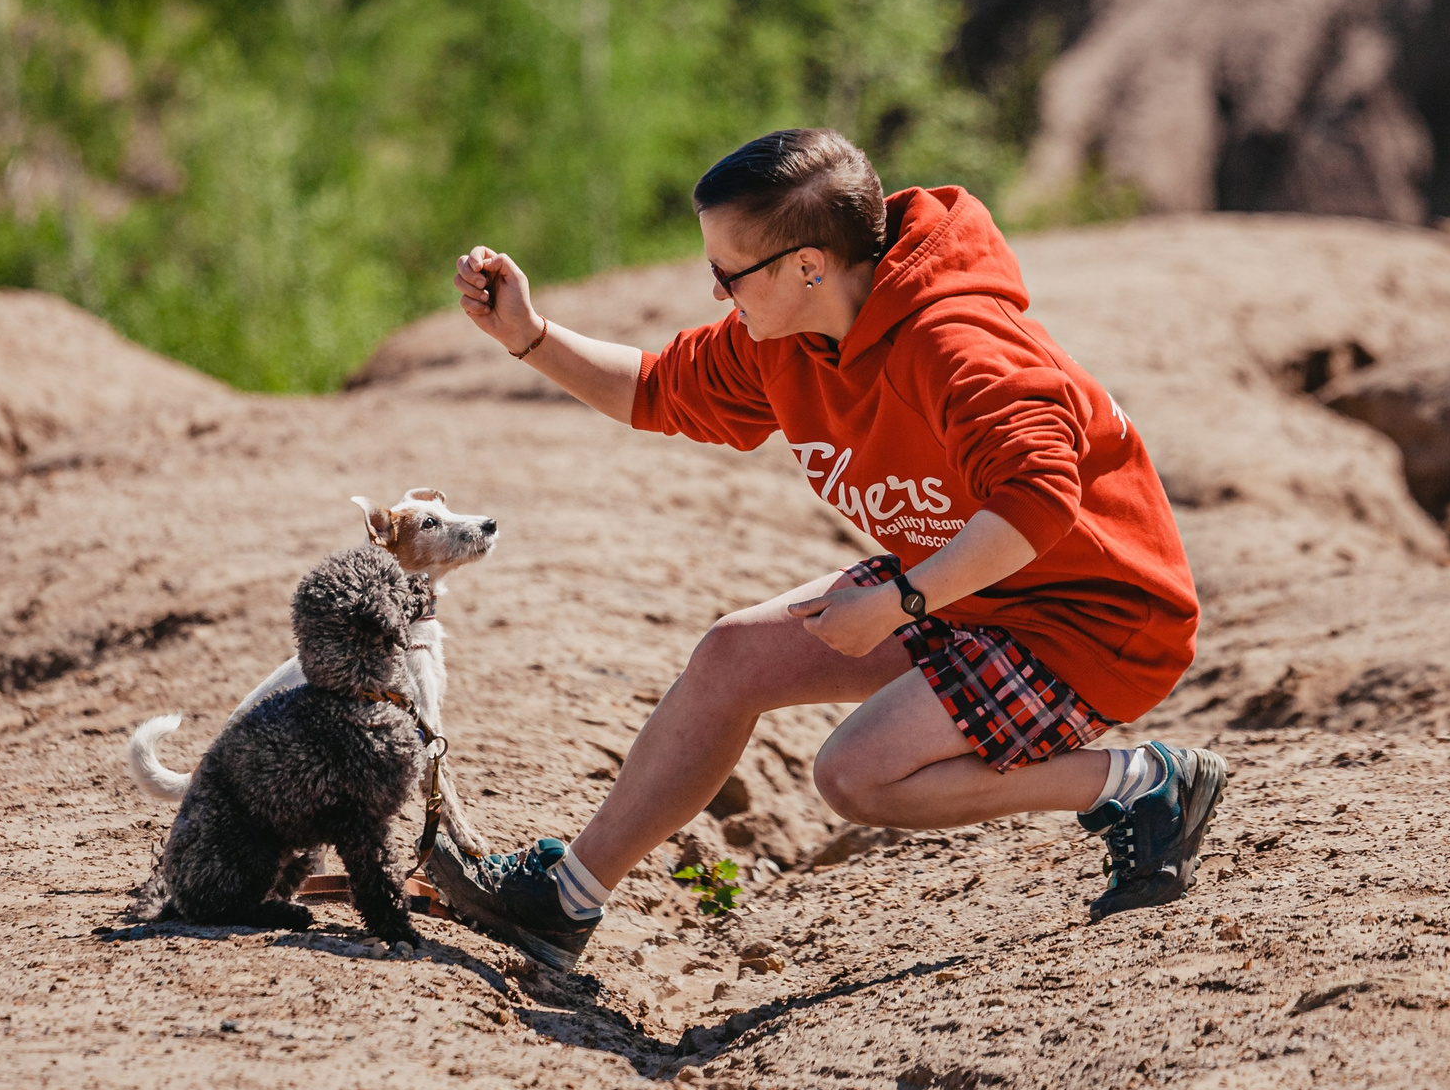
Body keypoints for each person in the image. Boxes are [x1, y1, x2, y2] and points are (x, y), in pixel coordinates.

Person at [431, 128, 1225, 971]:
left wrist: (898, 599)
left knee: (857, 774)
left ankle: (1143, 783)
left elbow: (1040, 500)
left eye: (729, 272)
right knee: (734, 655)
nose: (714, 287)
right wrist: (527, 332)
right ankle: (565, 901)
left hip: (1094, 618)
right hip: (973, 584)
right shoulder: (786, 340)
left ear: (808, 266)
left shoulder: (956, 342)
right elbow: (659, 388)